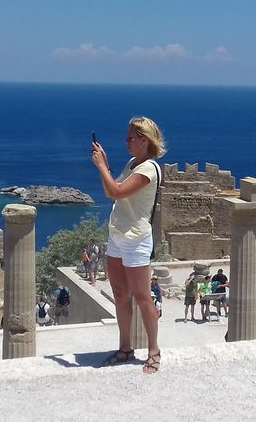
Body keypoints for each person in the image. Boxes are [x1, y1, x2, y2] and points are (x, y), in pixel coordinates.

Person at [92, 116, 165, 374]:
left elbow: (117, 192)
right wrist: (105, 167)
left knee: (143, 297)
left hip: (136, 240)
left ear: (144, 140)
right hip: (117, 235)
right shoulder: (133, 164)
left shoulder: (148, 169)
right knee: (120, 294)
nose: (127, 142)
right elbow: (111, 191)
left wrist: (102, 166)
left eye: (131, 137)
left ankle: (154, 351)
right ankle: (125, 348)